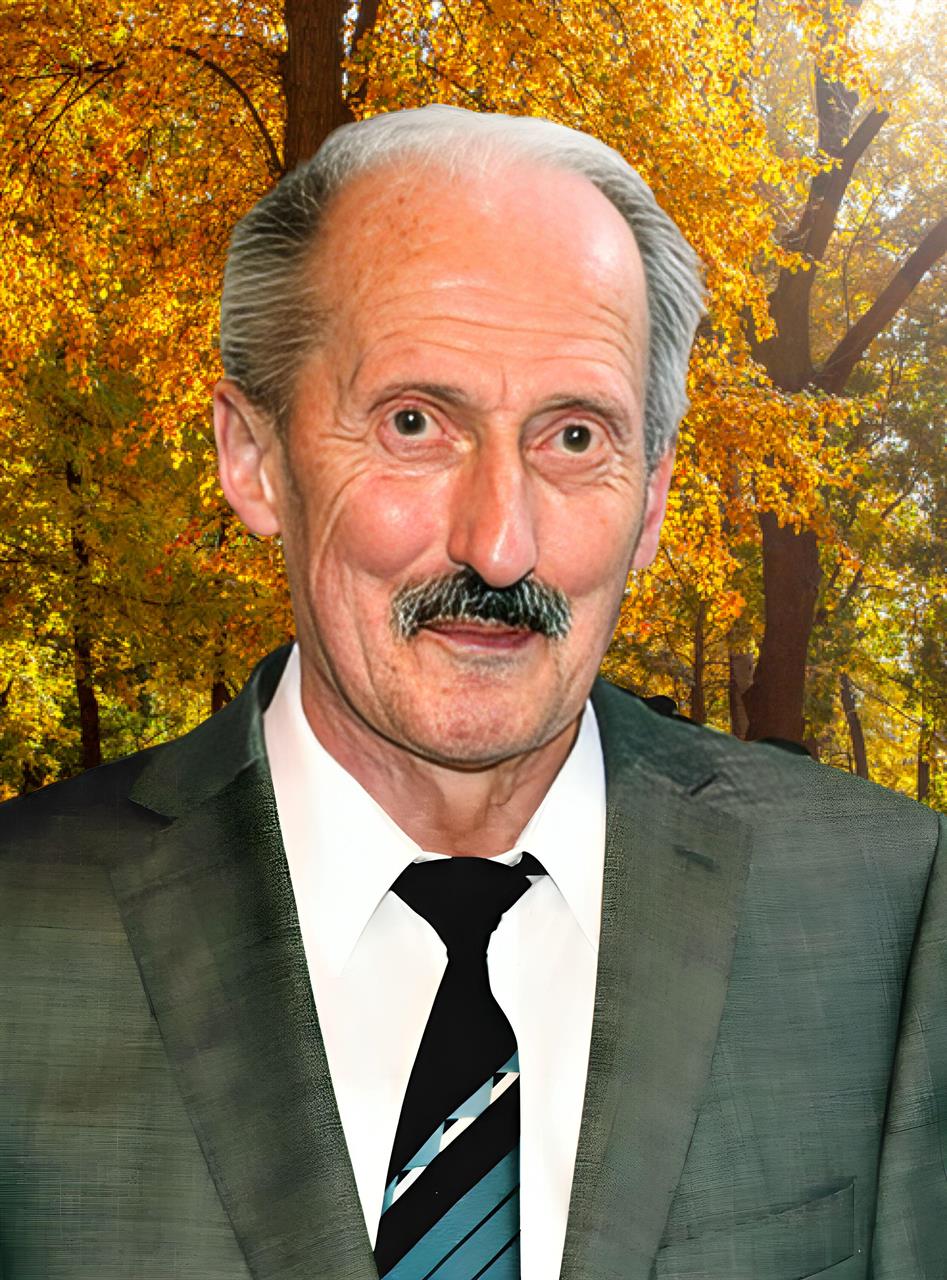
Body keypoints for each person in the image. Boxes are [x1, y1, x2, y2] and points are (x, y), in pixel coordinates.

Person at [0, 105, 943, 1280]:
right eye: (414, 424)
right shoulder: (21, 936)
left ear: (651, 499)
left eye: (572, 437)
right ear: (253, 458)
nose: (498, 545)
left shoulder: (887, 912)